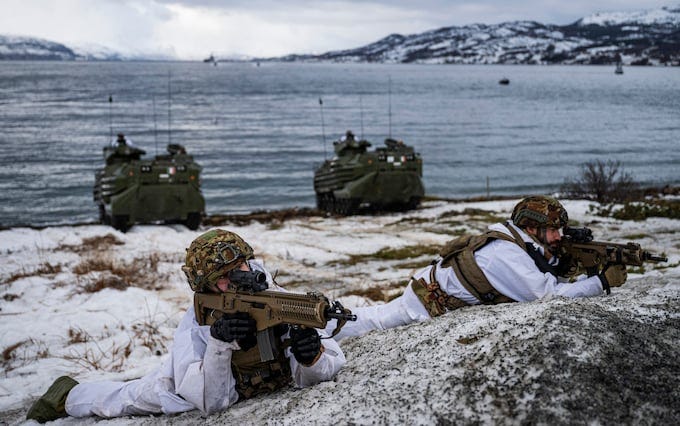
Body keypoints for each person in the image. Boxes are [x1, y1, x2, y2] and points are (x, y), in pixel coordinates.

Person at [27, 229, 346, 423]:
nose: (236, 278)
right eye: (223, 277)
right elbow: (212, 403)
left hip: (251, 382)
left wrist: (312, 357)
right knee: (120, 400)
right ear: (206, 287)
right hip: (180, 387)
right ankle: (66, 395)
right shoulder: (196, 323)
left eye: (241, 268)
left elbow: (323, 368)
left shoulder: (277, 302)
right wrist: (219, 343)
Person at [327, 195, 628, 340]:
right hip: (425, 302)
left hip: (428, 285)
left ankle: (333, 318)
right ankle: (327, 326)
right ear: (531, 227)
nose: (559, 236)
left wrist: (566, 262)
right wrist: (600, 283)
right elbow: (548, 297)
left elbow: (541, 267)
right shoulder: (505, 254)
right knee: (373, 324)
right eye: (553, 229)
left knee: (375, 316)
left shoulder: (517, 239)